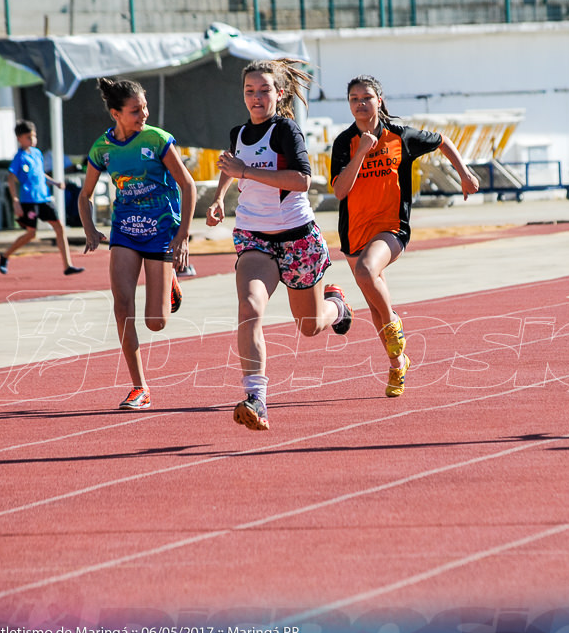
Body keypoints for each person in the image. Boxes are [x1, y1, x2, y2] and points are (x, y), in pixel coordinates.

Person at [205, 58, 352, 431]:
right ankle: (257, 397)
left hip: (297, 236)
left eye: (264, 90)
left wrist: (246, 172)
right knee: (249, 306)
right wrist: (221, 197)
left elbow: (303, 180)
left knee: (309, 325)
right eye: (249, 91)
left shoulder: (286, 130)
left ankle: (336, 306)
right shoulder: (238, 132)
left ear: (279, 93)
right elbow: (231, 165)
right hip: (254, 236)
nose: (256, 97)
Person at [330, 75, 479, 397]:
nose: (360, 103)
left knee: (368, 272)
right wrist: (361, 153)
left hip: (391, 227)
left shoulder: (401, 135)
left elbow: (441, 140)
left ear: (379, 100)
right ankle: (398, 363)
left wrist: (464, 174)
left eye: (366, 97)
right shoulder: (344, 142)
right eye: (354, 98)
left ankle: (394, 326)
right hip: (354, 230)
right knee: (373, 299)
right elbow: (340, 191)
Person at [78, 78, 196, 410]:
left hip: (160, 233)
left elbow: (187, 186)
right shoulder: (102, 149)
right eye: (135, 110)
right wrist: (90, 229)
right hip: (125, 233)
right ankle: (139, 388)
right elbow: (84, 196)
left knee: (155, 323)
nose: (143, 113)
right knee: (121, 307)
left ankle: (170, 281)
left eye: (144, 107)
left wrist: (182, 234)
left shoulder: (157, 140)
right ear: (116, 113)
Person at [0, 121, 84, 276]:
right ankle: (5, 255)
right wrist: (15, 201)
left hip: (44, 198)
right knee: (31, 234)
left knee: (59, 228)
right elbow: (11, 179)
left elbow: (40, 174)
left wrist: (54, 182)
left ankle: (67, 265)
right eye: (28, 137)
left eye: (34, 136)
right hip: (29, 200)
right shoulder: (19, 157)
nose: (32, 139)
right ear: (19, 138)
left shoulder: (37, 153)